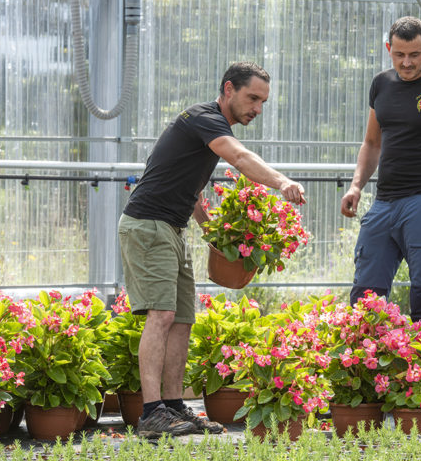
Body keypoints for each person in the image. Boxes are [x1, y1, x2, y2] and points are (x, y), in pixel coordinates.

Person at [118, 62, 306, 439]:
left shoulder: (206, 129)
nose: (257, 107)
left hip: (171, 227)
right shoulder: (204, 119)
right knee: (161, 315)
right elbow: (238, 157)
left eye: (263, 101)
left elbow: (189, 188)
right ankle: (151, 413)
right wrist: (281, 180)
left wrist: (214, 233)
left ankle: (173, 407)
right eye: (252, 97)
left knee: (183, 318)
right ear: (228, 89)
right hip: (148, 225)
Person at [340, 16, 421, 323]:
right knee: (364, 301)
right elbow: (372, 143)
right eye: (399, 55)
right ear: (389, 49)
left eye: (415, 54)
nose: (407, 62)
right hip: (383, 203)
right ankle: (367, 367)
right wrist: (356, 185)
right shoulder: (381, 84)